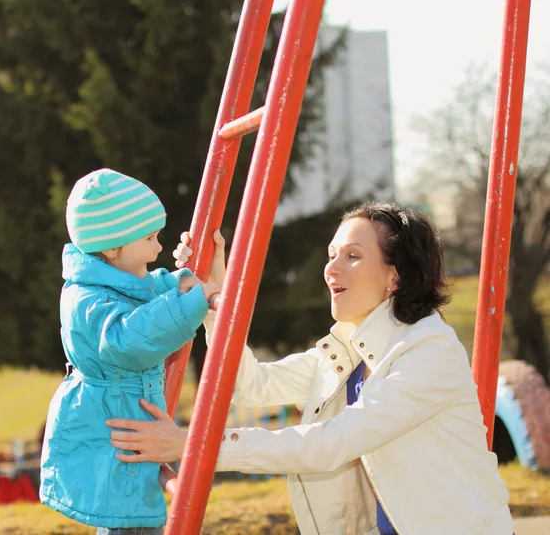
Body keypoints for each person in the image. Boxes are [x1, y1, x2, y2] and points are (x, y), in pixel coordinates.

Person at [107, 202, 514, 535]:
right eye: (331, 255)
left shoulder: (428, 350)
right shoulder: (350, 348)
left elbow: (330, 442)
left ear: (396, 275)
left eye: (353, 257)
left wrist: (191, 448)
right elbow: (250, 386)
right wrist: (217, 296)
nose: (331, 268)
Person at [39, 168, 220, 534]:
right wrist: (192, 302)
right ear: (111, 247)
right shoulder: (88, 299)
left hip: (125, 423)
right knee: (128, 524)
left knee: (135, 520)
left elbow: (149, 289)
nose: (157, 248)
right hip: (111, 430)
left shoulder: (111, 283)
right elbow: (128, 342)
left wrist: (178, 281)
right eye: (149, 238)